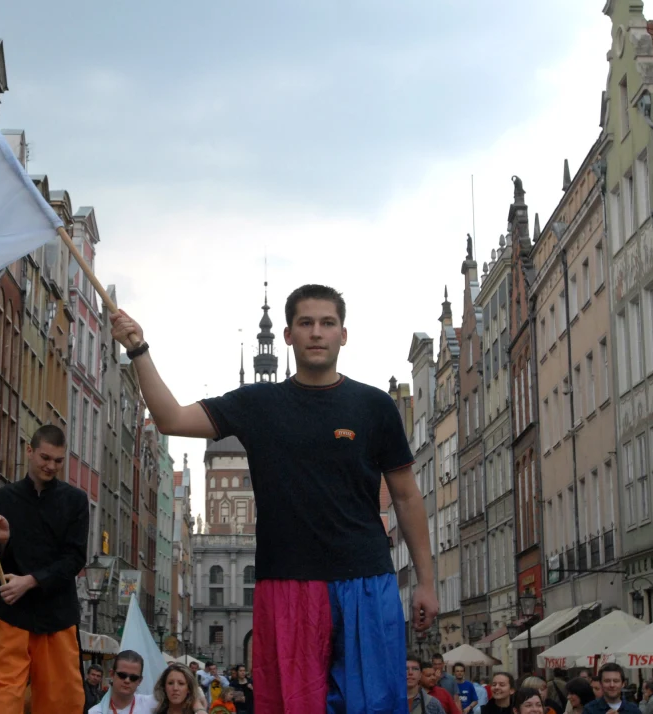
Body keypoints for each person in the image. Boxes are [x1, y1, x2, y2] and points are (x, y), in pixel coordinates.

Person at [110, 285, 438, 714]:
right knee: (292, 705)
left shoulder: (373, 405)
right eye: (306, 323)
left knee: (373, 704)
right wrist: (138, 349)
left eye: (327, 323)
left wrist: (427, 583)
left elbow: (407, 496)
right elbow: (171, 418)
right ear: (287, 335)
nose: (316, 333)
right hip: (287, 583)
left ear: (343, 334)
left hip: (365, 579)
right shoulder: (258, 404)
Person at [0, 425, 90, 713]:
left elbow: (75, 558)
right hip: (13, 615)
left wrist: (31, 581)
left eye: (58, 461)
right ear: (29, 451)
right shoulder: (4, 498)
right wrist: (2, 542)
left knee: (61, 702)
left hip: (57, 616)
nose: (51, 466)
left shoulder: (75, 501)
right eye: (45, 457)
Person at [89, 651, 158, 714]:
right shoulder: (95, 712)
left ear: (139, 681)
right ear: (112, 674)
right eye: (122, 675)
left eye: (133, 678)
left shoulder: (151, 704)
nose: (127, 680)